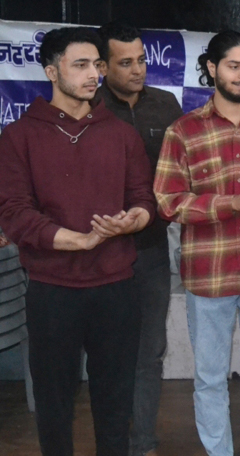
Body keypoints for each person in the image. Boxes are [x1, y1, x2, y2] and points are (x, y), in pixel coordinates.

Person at [0, 26, 155, 455]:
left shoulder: (121, 134)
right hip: (53, 290)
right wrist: (75, 241)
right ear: (52, 71)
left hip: (117, 288)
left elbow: (144, 199)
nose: (94, 75)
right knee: (53, 405)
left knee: (114, 401)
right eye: (81, 65)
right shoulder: (18, 137)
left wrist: (131, 222)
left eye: (98, 65)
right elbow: (13, 213)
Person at [153, 30, 240, 456]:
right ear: (212, 69)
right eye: (234, 66)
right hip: (208, 275)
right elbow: (168, 202)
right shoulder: (184, 130)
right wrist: (231, 203)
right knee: (210, 379)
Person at [95, 20, 185, 456]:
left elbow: (185, 169)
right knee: (108, 355)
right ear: (101, 66)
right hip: (96, 253)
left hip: (149, 251)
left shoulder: (166, 105)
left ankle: (143, 444)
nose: (137, 70)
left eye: (142, 61)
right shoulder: (88, 107)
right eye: (125, 63)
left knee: (150, 352)